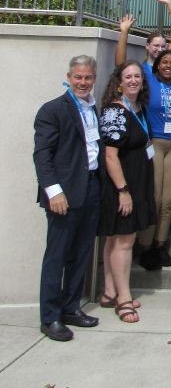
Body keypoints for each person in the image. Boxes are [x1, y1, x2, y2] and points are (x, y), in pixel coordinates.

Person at [34, 55, 102, 342]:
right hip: (64, 193)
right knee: (57, 256)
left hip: (91, 187)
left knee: (81, 254)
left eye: (87, 78)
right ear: (69, 77)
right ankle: (50, 317)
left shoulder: (91, 108)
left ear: (93, 79)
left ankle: (71, 307)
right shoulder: (53, 110)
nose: (83, 82)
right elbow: (42, 155)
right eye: (78, 77)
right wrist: (53, 191)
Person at [99, 61, 156, 324]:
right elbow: (110, 155)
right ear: (119, 82)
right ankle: (123, 299)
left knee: (115, 239)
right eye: (128, 77)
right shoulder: (115, 110)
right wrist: (123, 190)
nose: (133, 80)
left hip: (136, 180)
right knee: (124, 241)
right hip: (122, 184)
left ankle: (110, 291)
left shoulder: (137, 108)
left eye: (137, 76)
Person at [136, 49, 171, 271]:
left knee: (168, 201)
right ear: (156, 65)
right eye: (164, 62)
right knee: (154, 198)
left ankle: (160, 244)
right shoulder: (148, 81)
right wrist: (124, 34)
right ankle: (145, 246)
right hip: (155, 143)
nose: (168, 65)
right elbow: (120, 64)